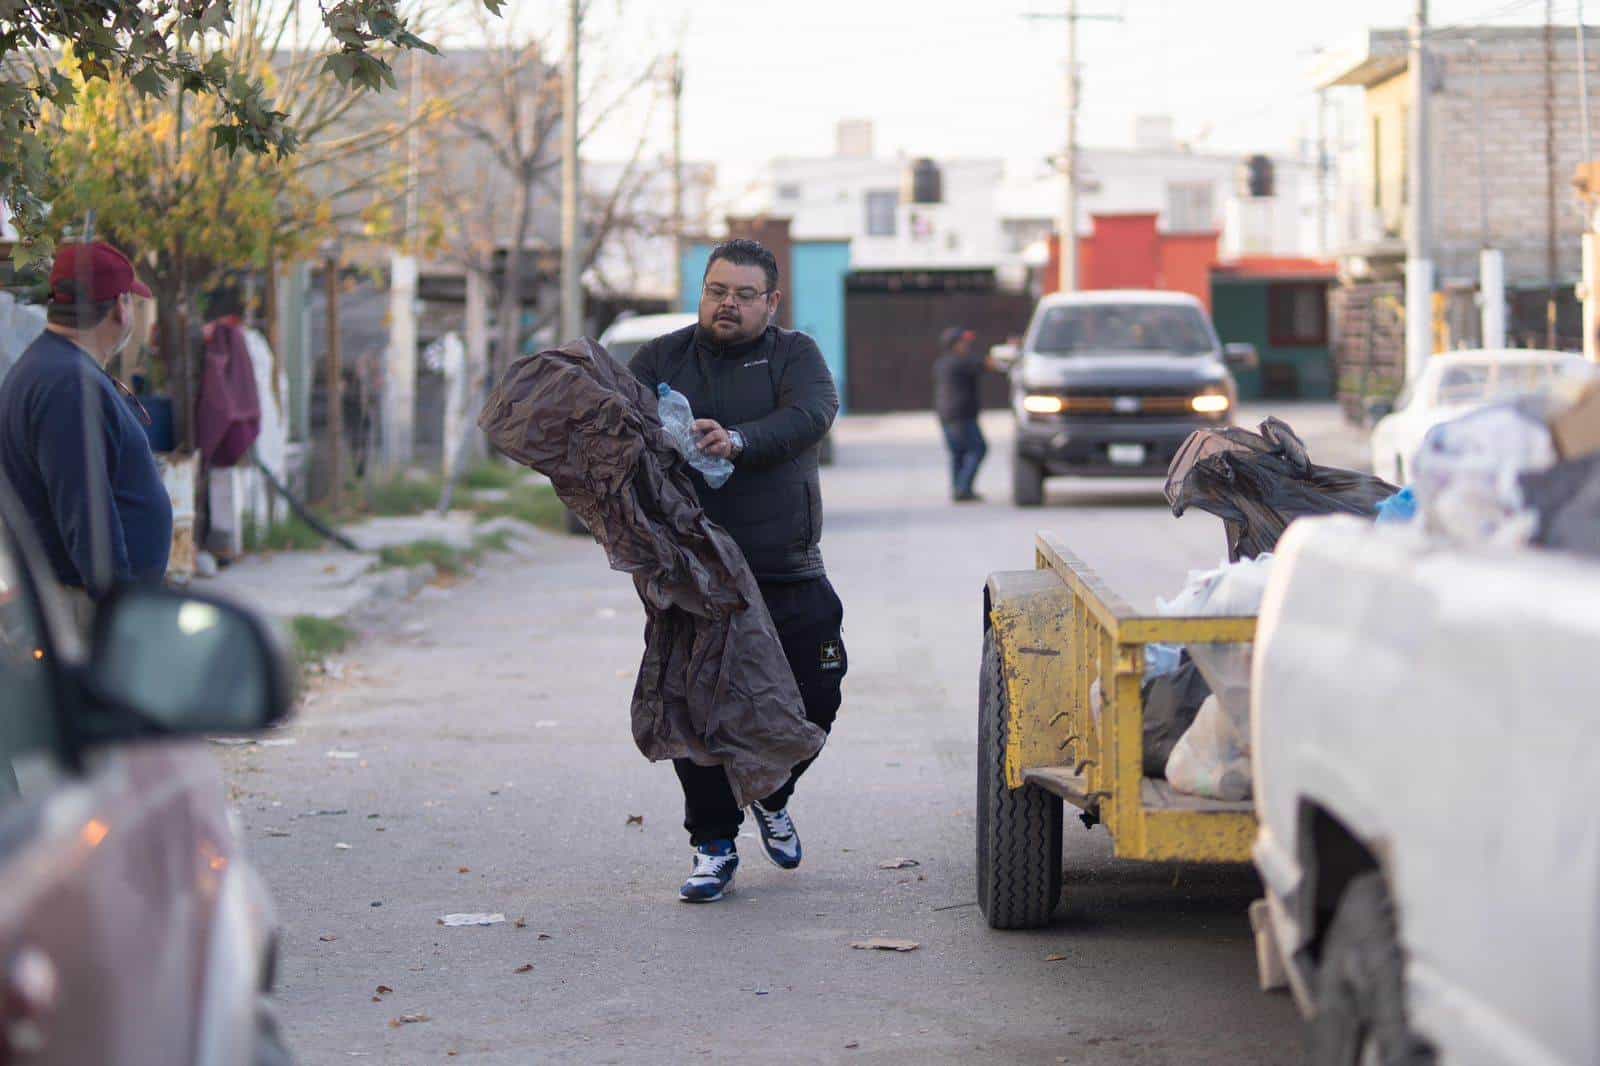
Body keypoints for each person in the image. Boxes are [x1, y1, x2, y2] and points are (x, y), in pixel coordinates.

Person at [628, 238, 846, 903]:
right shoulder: (660, 358)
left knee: (821, 686)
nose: (727, 304)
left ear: (770, 302)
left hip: (785, 563)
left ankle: (772, 789)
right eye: (716, 290)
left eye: (743, 294)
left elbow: (812, 414)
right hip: (695, 575)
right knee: (698, 712)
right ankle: (713, 845)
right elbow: (619, 428)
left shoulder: (793, 355)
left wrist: (739, 441)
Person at [0, 242, 172, 632]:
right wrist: (121, 606)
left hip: (82, 602)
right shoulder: (66, 385)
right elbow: (85, 511)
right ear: (119, 307)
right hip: (86, 610)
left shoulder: (57, 369)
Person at [932, 326, 995, 502]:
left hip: (946, 415)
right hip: (960, 415)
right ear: (953, 345)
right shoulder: (960, 363)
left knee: (957, 453)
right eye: (963, 342)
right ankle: (963, 487)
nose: (966, 345)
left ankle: (958, 489)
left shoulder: (943, 363)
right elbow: (987, 364)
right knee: (979, 449)